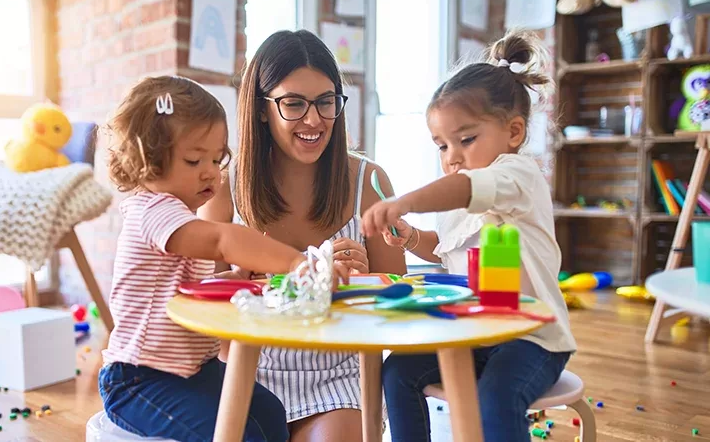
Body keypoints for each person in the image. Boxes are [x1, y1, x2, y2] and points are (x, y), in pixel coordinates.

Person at [99, 75, 348, 442]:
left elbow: (186, 290)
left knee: (270, 413)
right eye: (194, 159)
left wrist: (237, 277)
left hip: (194, 369)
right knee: (241, 434)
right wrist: (297, 262)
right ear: (146, 160)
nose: (211, 172)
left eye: (217, 158)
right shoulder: (153, 210)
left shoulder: (179, 217)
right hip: (139, 380)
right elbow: (222, 237)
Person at [360, 29, 577, 442]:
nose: (452, 157)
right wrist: (410, 238)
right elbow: (446, 254)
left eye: (466, 139)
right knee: (398, 371)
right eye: (441, 146)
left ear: (513, 133)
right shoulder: (457, 196)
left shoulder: (518, 175)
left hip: (533, 337)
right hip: (475, 334)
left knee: (498, 393)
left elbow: (464, 188)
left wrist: (404, 202)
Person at [200, 30, 407, 441]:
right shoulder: (225, 185)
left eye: (326, 101)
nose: (314, 120)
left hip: (339, 376)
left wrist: (363, 281)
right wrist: (252, 280)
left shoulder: (369, 181)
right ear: (261, 109)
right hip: (247, 371)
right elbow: (207, 312)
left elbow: (396, 303)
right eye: (293, 103)